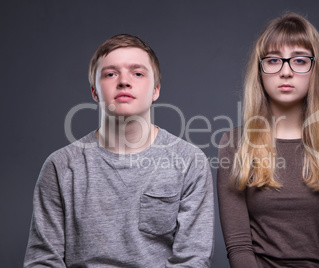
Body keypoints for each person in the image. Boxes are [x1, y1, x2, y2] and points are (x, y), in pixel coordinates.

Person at [24, 34, 214, 267]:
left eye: (137, 73)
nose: (124, 81)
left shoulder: (189, 162)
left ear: (155, 90)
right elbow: (43, 260)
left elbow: (193, 260)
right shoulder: (60, 166)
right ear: (94, 92)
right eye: (111, 74)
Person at [217, 13, 319, 268]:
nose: (285, 71)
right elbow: (239, 246)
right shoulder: (235, 143)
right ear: (260, 71)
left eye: (299, 60)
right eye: (273, 60)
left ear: (316, 69)